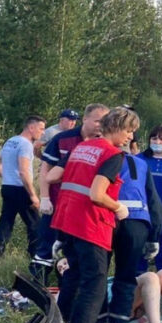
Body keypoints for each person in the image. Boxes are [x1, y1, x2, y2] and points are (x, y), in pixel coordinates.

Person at [52, 107, 139, 323]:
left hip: (68, 221)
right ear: (118, 128)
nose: (130, 137)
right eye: (129, 131)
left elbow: (58, 178)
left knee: (73, 276)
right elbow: (97, 194)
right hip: (91, 225)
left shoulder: (82, 147)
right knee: (95, 283)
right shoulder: (112, 154)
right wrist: (118, 207)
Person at [29, 103, 110, 285]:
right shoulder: (63, 139)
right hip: (58, 202)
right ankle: (37, 284)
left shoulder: (105, 143)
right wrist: (44, 197)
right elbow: (45, 171)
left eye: (104, 121)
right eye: (97, 121)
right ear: (85, 119)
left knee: (73, 249)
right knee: (47, 243)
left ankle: (66, 285)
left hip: (85, 208)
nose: (100, 125)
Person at [97, 139, 162, 323]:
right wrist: (154, 238)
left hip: (107, 218)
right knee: (125, 278)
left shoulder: (104, 158)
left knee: (98, 275)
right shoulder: (142, 164)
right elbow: (155, 204)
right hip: (137, 223)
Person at [0, 115, 45, 257]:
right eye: (41, 128)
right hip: (21, 189)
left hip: (7, 187)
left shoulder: (11, 141)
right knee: (35, 224)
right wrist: (33, 195)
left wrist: (7, 177)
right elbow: (23, 171)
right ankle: (34, 255)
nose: (43, 132)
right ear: (31, 127)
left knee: (6, 221)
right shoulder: (26, 144)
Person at [137, 124, 162, 272]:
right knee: (138, 262)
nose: (157, 142)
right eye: (154, 138)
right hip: (143, 218)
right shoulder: (139, 160)